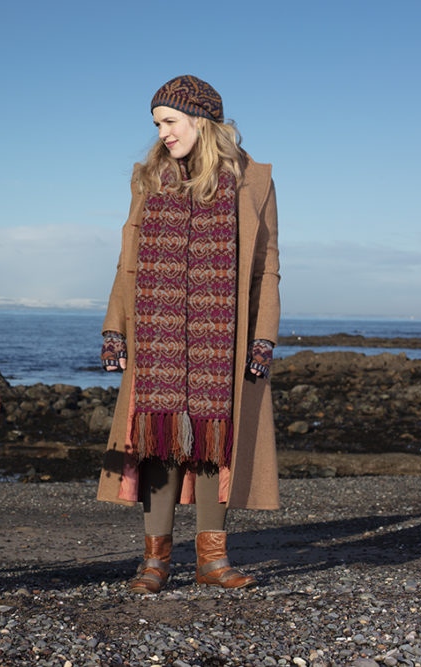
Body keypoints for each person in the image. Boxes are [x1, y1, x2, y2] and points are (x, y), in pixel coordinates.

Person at [96, 75, 280, 593]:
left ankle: (212, 560)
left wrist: (262, 337)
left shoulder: (253, 181)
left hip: (222, 333)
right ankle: (155, 561)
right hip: (156, 329)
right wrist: (116, 328)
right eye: (157, 124)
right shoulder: (148, 178)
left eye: (170, 121)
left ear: (201, 120)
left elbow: (268, 267)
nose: (162, 133)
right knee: (156, 440)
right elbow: (127, 260)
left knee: (213, 442)